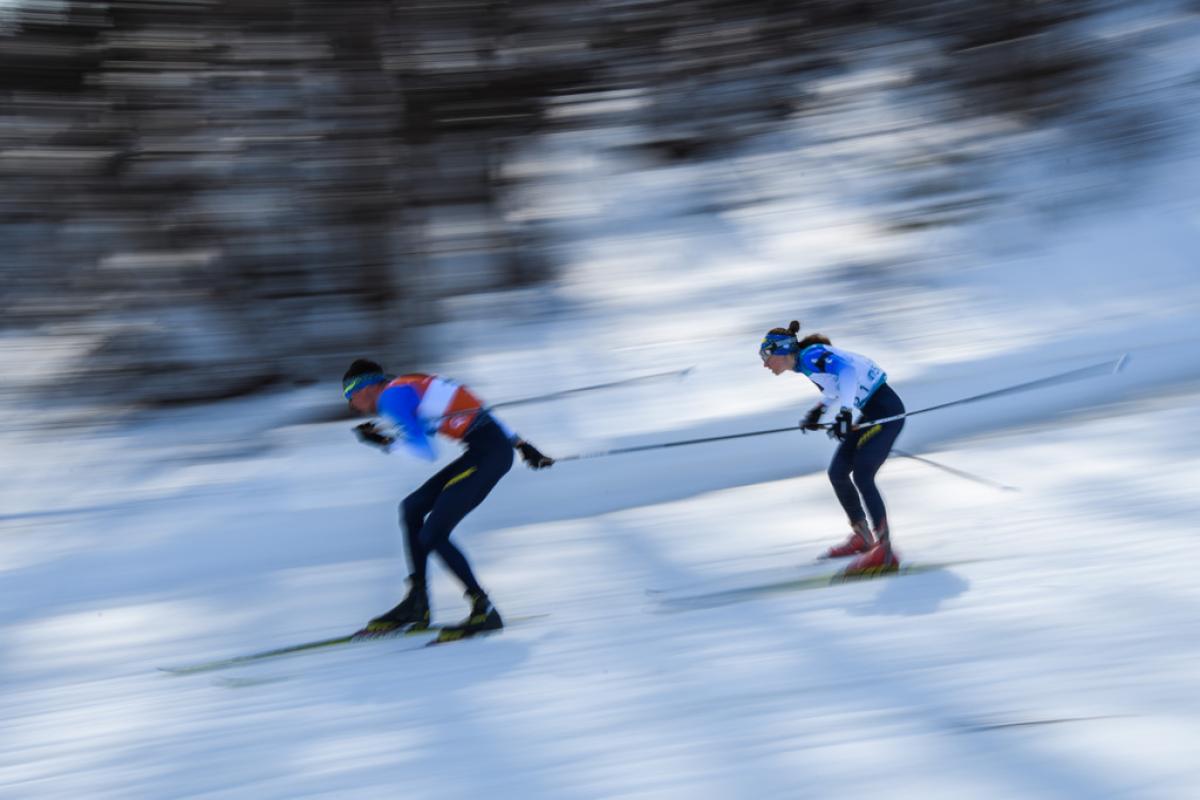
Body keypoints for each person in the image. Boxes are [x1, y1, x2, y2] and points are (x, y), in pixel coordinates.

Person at [342, 358, 554, 640]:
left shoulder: (392, 397)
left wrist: (383, 443)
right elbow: (478, 411)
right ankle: (417, 602)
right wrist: (522, 444)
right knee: (412, 507)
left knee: (433, 533)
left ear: (365, 388)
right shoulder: (408, 384)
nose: (352, 406)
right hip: (486, 451)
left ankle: (483, 609)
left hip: (487, 455)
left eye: (350, 396)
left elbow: (425, 452)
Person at [760, 321, 905, 576]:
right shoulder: (805, 364)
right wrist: (820, 410)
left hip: (886, 412)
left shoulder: (810, 355)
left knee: (862, 474)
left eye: (766, 355)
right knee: (837, 471)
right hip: (872, 412)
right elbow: (835, 386)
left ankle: (885, 550)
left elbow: (847, 371)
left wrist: (846, 413)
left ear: (782, 351)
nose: (765, 363)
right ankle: (863, 537)